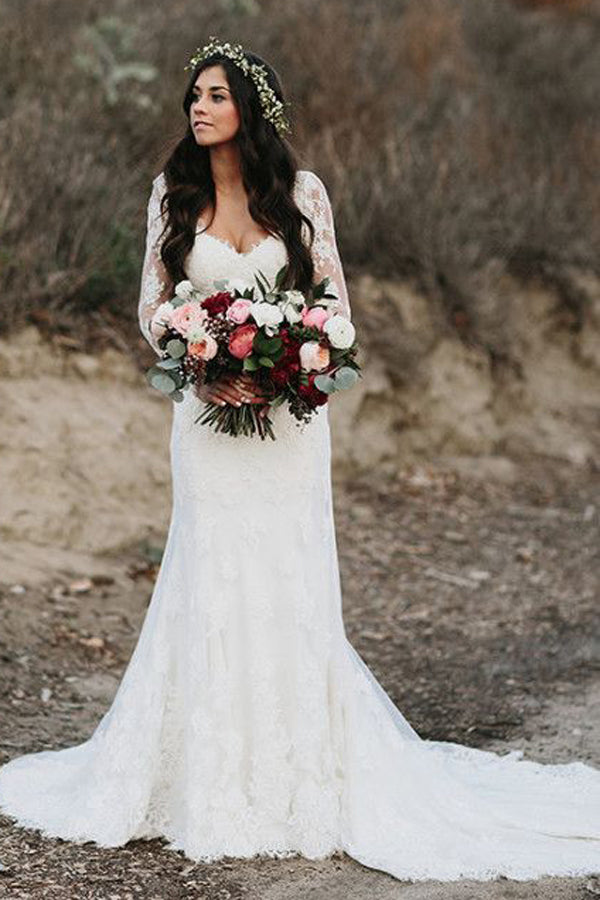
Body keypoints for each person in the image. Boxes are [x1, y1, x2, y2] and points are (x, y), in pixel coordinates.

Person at [0, 36, 599, 884]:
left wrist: (288, 365)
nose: (197, 108)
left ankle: (299, 773)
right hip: (206, 424)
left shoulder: (302, 193)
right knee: (212, 577)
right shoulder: (171, 193)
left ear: (252, 107)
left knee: (288, 576)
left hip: (290, 425)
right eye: (193, 97)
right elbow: (150, 309)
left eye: (214, 95)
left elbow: (333, 308)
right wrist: (206, 371)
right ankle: (206, 776)